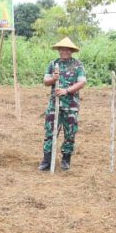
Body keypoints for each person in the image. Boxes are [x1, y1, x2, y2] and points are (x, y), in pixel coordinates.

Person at [39, 37, 87, 171]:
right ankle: (47, 160)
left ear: (71, 51)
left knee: (70, 132)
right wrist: (53, 79)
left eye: (67, 49)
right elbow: (45, 81)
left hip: (71, 105)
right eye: (62, 49)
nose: (64, 51)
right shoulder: (53, 64)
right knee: (50, 131)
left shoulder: (77, 65)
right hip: (54, 105)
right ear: (59, 50)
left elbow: (82, 82)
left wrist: (66, 91)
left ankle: (66, 159)